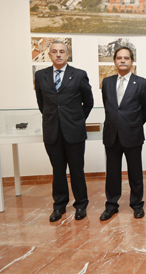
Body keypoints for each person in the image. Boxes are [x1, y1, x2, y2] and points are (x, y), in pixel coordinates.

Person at [34, 40, 93, 222]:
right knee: (57, 170)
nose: (58, 54)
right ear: (49, 55)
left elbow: (88, 102)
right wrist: (55, 119)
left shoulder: (79, 75)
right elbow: (41, 104)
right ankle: (59, 206)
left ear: (67, 55)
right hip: (52, 131)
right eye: (54, 52)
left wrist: (76, 120)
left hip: (74, 131)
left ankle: (81, 205)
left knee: (77, 170)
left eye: (62, 52)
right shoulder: (41, 75)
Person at [100, 47, 146, 221]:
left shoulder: (142, 83)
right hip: (111, 135)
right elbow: (109, 105)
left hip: (132, 134)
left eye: (126, 58)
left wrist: (133, 124)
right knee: (112, 172)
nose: (123, 60)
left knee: (135, 172)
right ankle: (111, 205)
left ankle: (137, 205)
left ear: (132, 61)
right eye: (119, 58)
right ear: (114, 61)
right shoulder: (107, 82)